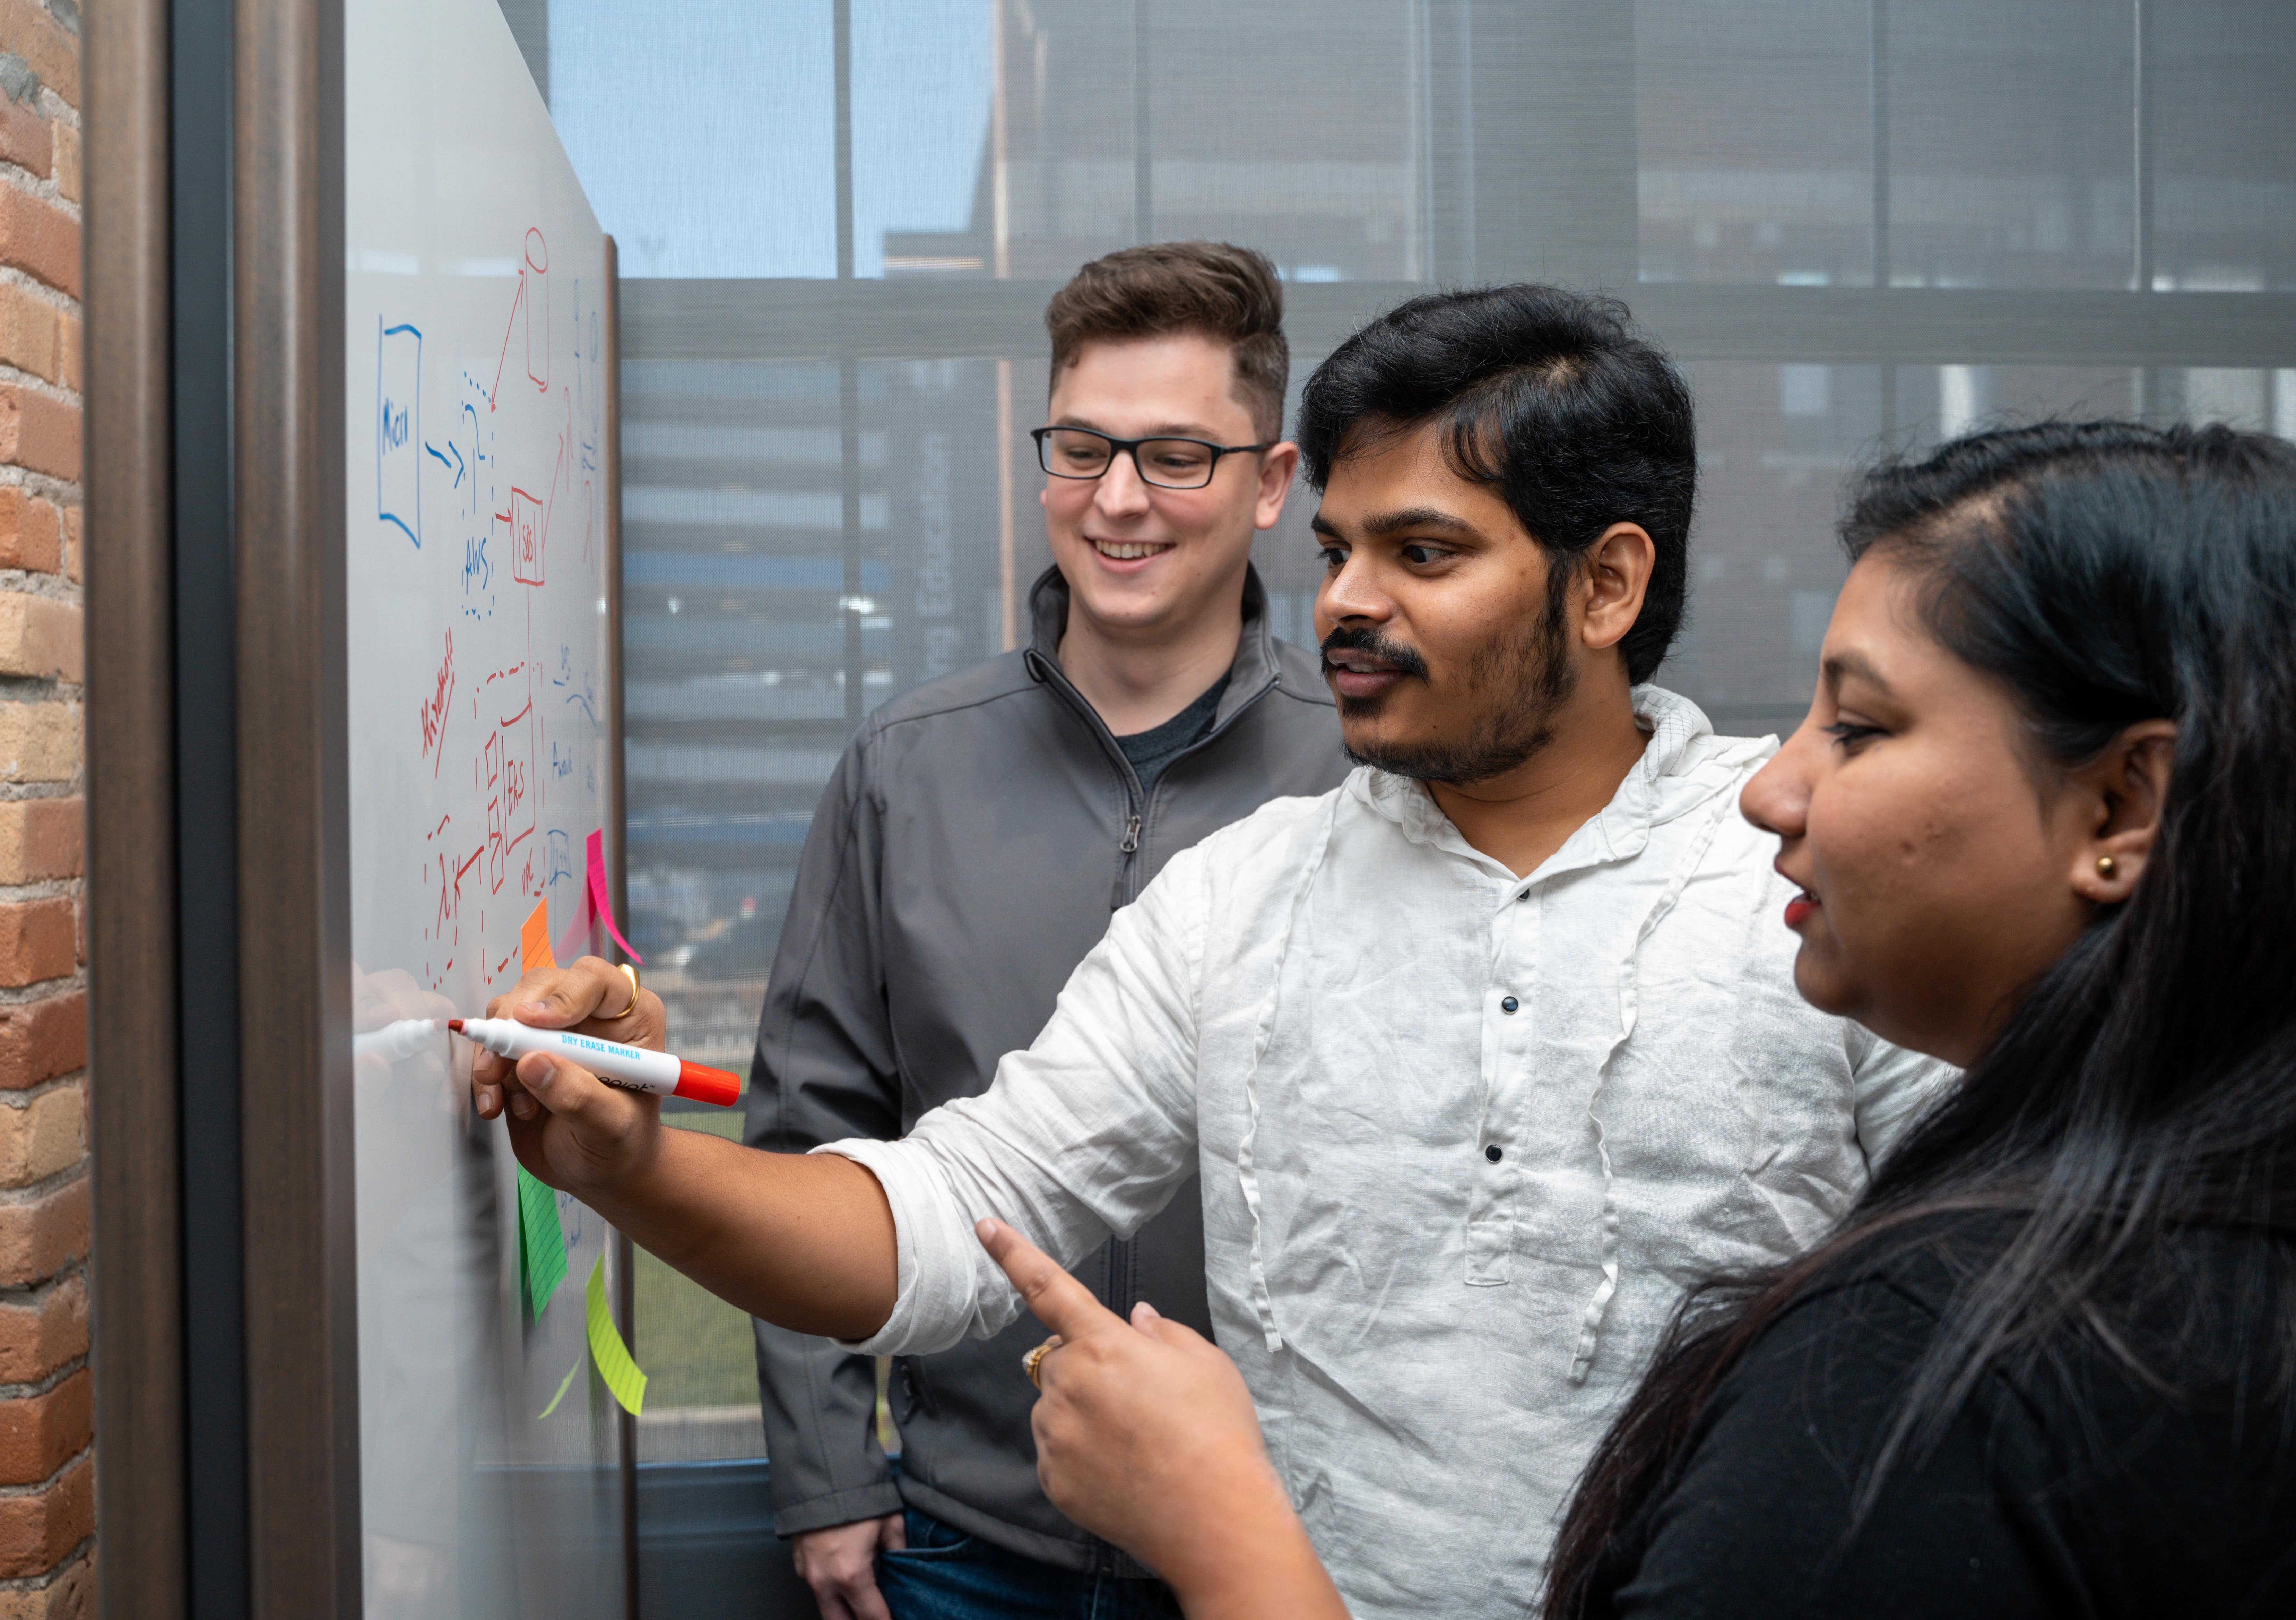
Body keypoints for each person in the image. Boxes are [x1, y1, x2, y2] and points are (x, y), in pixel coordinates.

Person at [465, 285, 1952, 1620]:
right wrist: (627, 1166)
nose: (1348, 601)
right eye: (1339, 551)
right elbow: (954, 1209)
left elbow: (1998, 1322)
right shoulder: (1234, 899)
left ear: (1605, 585)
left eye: (1420, 551)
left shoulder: (1809, 867)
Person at [978, 419, 2296, 1620]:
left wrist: (1219, 1532)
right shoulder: (2187, 1255)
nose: (1773, 790)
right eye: (1334, 550)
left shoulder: (1933, 1372)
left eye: (1859, 725)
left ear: (2124, 809)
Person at [744, 240, 1350, 1620]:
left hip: (1273, 1541)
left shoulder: (1367, 780)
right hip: (959, 1543)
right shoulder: (907, 765)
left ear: (1269, 483)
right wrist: (828, 1472)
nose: (1119, 499)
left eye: (1177, 456)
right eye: (1083, 448)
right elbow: (807, 1137)